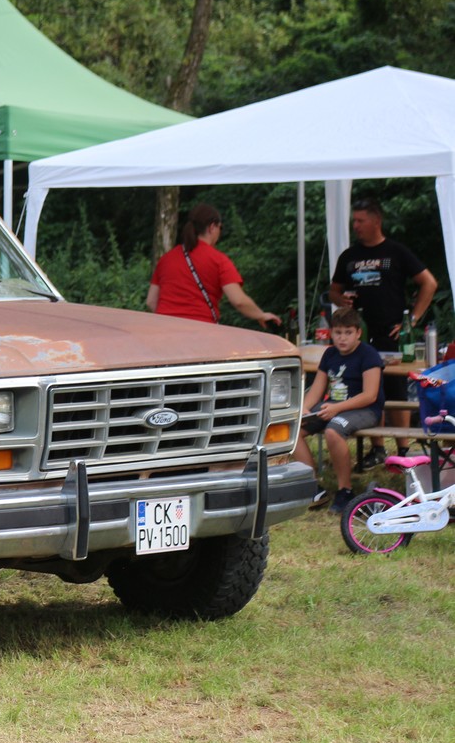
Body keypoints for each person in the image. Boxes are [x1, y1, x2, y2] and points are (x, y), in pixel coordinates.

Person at [328, 197, 438, 467]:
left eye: (360, 220)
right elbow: (334, 289)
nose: (355, 226)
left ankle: (402, 452)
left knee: (396, 389)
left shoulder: (396, 251)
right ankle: (377, 448)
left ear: (376, 221)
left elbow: (429, 283)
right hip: (359, 335)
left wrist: (411, 319)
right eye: (353, 221)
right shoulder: (349, 256)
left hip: (392, 332)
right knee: (366, 389)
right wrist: (340, 300)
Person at [294, 307, 384, 514]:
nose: (342, 338)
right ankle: (313, 487)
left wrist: (337, 408)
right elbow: (317, 388)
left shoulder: (369, 355)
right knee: (293, 428)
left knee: (333, 431)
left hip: (365, 409)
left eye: (348, 333)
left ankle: (345, 491)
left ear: (358, 333)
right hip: (333, 406)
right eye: (338, 332)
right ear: (331, 333)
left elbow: (370, 395)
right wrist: (306, 408)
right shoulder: (330, 354)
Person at [146, 204, 281, 329]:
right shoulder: (218, 260)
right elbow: (238, 300)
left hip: (164, 331)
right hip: (200, 332)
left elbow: (151, 301)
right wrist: (261, 315)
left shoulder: (166, 259)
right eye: (220, 227)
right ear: (212, 227)